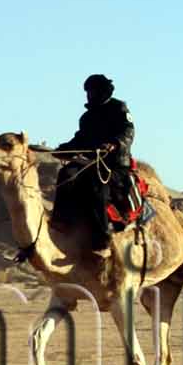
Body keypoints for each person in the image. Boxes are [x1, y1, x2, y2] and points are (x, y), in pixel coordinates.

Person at [56, 74, 136, 243]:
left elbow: (128, 132)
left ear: (103, 91)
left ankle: (102, 236)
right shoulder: (87, 118)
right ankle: (61, 220)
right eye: (88, 92)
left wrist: (114, 144)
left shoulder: (119, 109)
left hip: (115, 165)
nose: (89, 95)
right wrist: (64, 150)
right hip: (91, 162)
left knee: (96, 185)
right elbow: (80, 140)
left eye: (92, 91)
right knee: (66, 173)